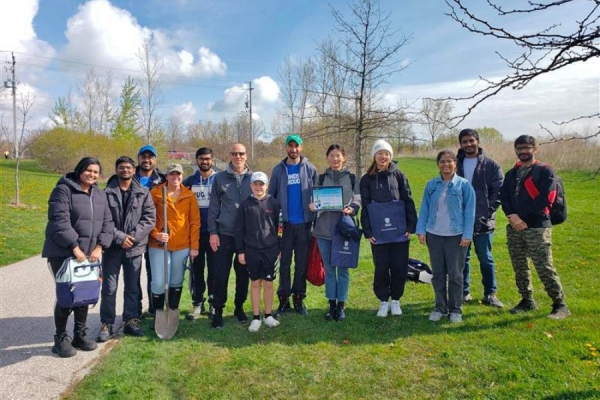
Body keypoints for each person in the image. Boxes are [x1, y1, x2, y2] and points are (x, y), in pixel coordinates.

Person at [42, 157, 114, 358]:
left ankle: (80, 334)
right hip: (64, 253)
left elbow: (108, 223)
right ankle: (61, 338)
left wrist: (100, 247)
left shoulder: (99, 194)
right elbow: (59, 221)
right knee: (68, 294)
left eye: (95, 172)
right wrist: (74, 247)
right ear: (80, 170)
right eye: (88, 170)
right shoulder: (63, 190)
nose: (92, 174)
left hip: (90, 255)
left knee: (85, 294)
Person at [500, 135, 570, 319]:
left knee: (544, 265)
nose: (523, 151)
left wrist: (521, 218)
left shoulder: (545, 171)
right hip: (515, 227)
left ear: (535, 149)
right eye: (519, 148)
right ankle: (527, 300)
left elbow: (544, 199)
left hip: (537, 227)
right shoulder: (511, 173)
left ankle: (560, 304)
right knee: (519, 265)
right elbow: (504, 197)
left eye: (526, 148)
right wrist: (512, 217)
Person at [97, 156, 156, 342]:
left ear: (134, 169)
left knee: (132, 287)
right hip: (112, 248)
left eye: (129, 167)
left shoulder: (143, 192)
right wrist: (120, 238)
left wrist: (132, 238)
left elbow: (149, 219)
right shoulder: (105, 193)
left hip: (134, 249)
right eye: (121, 167)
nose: (125, 170)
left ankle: (131, 320)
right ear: (116, 170)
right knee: (109, 287)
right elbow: (102, 220)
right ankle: (107, 323)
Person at [416, 150, 475, 323]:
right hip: (434, 235)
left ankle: (455, 308)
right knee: (438, 274)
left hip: (456, 237)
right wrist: (421, 230)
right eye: (442, 161)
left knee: (456, 274)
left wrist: (467, 234)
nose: (446, 165)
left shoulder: (464, 186)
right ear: (438, 164)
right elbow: (425, 208)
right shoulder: (431, 185)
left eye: (449, 161)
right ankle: (440, 308)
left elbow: (470, 212)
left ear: (455, 163)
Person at [360, 139, 417, 318]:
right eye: (379, 153)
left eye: (386, 153)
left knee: (399, 266)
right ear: (374, 156)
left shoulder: (399, 175)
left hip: (400, 231)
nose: (383, 156)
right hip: (379, 233)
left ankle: (396, 300)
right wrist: (368, 231)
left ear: (390, 156)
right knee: (382, 267)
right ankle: (384, 301)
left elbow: (408, 200)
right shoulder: (366, 179)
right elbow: (365, 205)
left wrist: (410, 226)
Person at [310, 144, 361, 321]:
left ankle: (341, 306)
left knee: (343, 270)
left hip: (344, 229)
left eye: (338, 155)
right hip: (324, 230)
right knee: (330, 270)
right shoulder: (321, 177)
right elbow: (314, 199)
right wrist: (313, 205)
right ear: (327, 158)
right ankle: (331, 305)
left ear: (344, 158)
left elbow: (357, 200)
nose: (335, 159)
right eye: (331, 155)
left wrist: (352, 209)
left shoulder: (353, 178)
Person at [456, 129, 505, 307]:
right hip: (459, 221)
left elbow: (498, 192)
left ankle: (490, 294)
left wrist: (486, 212)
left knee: (485, 258)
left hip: (483, 221)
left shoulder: (491, 165)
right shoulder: (454, 164)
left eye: (471, 141)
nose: (468, 145)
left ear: (477, 141)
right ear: (460, 144)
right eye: (464, 142)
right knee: (462, 259)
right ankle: (463, 292)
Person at [269, 134, 317, 315]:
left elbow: (317, 195)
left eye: (296, 146)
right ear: (286, 148)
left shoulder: (310, 169)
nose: (293, 149)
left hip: (305, 224)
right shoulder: (278, 170)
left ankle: (299, 299)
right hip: (285, 225)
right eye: (290, 146)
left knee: (301, 264)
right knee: (285, 264)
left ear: (301, 148)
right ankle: (283, 300)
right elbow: (271, 198)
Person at [148, 163, 200, 328]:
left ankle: (172, 310)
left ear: (182, 176)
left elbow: (195, 222)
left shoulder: (189, 195)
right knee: (158, 281)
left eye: (178, 174)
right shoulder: (155, 193)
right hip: (158, 245)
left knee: (176, 280)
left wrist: (194, 246)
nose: (175, 177)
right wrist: (155, 233)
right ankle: (157, 314)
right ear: (166, 176)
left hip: (182, 244)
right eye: (171, 174)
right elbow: (147, 217)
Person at [207, 143, 253, 329]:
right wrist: (212, 232)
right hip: (224, 234)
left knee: (243, 274)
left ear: (246, 155)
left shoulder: (254, 178)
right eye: (234, 153)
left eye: (241, 153)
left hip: (246, 236)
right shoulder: (219, 178)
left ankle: (239, 307)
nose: (238, 156)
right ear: (230, 155)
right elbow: (213, 208)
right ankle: (218, 310)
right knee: (220, 275)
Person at [235, 172, 282, 332]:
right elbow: (239, 230)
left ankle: (268, 315)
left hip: (270, 251)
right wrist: (241, 252)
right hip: (251, 251)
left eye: (261, 184)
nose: (258, 187)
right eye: (255, 184)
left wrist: (279, 248)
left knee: (268, 284)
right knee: (255, 283)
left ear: (266, 185)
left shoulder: (274, 203)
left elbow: (280, 228)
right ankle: (256, 317)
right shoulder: (245, 205)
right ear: (250, 186)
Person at [183, 147, 217, 320]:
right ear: (196, 160)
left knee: (214, 270)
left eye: (208, 158)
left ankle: (212, 302)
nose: (205, 161)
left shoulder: (218, 180)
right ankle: (197, 303)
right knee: (197, 270)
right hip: (195, 234)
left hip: (213, 233)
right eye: (201, 159)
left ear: (212, 160)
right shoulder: (189, 181)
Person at [135, 145, 166, 318]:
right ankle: (136, 309)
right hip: (134, 232)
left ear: (155, 159)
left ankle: (154, 307)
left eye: (150, 157)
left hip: (155, 231)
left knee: (154, 271)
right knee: (134, 272)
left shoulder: (162, 179)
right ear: (139, 159)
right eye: (143, 157)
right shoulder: (130, 177)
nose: (147, 160)